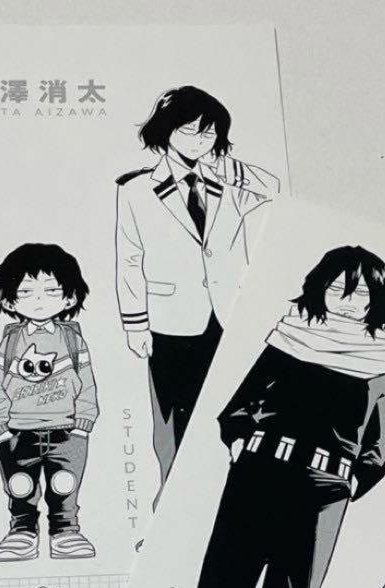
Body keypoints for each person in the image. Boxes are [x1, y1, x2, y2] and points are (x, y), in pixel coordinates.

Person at [133, 246, 385, 588]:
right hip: (256, 478)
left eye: (361, 292)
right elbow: (239, 405)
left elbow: (375, 455)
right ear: (318, 286)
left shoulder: (376, 362)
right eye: (338, 287)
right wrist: (242, 444)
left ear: (377, 300)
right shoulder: (289, 336)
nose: (348, 300)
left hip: (321, 499)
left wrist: (338, 486)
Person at [115, 85, 279, 499]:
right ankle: (171, 500)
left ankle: (224, 499)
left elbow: (275, 190)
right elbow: (130, 260)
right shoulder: (135, 190)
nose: (198, 140)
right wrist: (135, 325)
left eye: (208, 133)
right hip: (170, 322)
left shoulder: (231, 184)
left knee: (234, 412)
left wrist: (226, 166)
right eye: (188, 131)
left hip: (229, 316)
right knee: (172, 419)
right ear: (166, 131)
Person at [0, 243, 98, 560]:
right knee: (20, 486)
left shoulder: (72, 339)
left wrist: (84, 423)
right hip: (17, 431)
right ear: (9, 299)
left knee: (64, 485)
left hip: (67, 431)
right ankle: (22, 532)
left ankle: (66, 532)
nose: (39, 300)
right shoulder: (11, 341)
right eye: (26, 292)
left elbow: (87, 383)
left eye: (51, 291)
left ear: (69, 297)